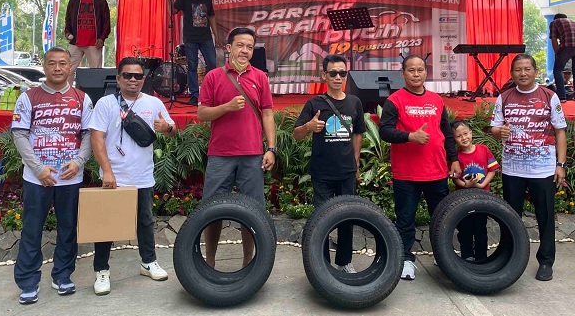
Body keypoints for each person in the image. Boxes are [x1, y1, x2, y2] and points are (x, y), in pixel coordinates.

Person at [11, 47, 93, 305]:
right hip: (37, 178)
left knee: (68, 229)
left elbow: (89, 135)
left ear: (71, 67)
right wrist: (38, 168)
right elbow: (20, 134)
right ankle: (27, 281)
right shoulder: (28, 97)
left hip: (70, 177)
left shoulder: (82, 99)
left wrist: (79, 162)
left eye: (62, 64)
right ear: (44, 67)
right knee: (32, 230)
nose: (57, 68)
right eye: (52, 64)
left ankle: (63, 276)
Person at [88, 57, 177, 295]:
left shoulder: (154, 102)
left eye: (138, 76)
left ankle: (148, 262)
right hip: (113, 177)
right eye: (127, 75)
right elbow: (96, 138)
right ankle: (101, 271)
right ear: (118, 79)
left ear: (144, 79)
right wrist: (107, 171)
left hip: (142, 176)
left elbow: (172, 130)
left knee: (145, 222)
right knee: (106, 226)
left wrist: (166, 128)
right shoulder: (106, 104)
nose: (133, 80)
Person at [197, 27, 276, 268]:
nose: (245, 51)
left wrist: (271, 148)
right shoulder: (213, 77)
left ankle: (248, 264)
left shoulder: (260, 77)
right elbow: (202, 113)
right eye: (240, 45)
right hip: (220, 155)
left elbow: (268, 114)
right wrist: (226, 107)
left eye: (250, 47)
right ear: (228, 48)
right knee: (213, 211)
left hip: (252, 155)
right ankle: (208, 263)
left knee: (251, 213)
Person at [379, 54, 461, 281]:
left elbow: (446, 132)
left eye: (420, 70)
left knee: (441, 217)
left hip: (436, 171)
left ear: (426, 72)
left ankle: (442, 256)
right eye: (411, 70)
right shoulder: (395, 100)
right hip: (407, 173)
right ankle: (405, 259)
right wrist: (410, 136)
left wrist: (453, 159)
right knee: (405, 219)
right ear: (403, 73)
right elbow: (384, 131)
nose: (416, 74)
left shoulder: (436, 100)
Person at [490, 54, 566, 282]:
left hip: (542, 170)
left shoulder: (549, 96)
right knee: (510, 217)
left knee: (545, 217)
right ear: (512, 73)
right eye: (518, 70)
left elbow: (560, 131)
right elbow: (494, 128)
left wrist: (560, 164)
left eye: (527, 69)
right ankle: (508, 257)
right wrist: (499, 132)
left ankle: (545, 261)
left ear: (535, 71)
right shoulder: (504, 97)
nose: (523, 74)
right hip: (513, 169)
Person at [293, 54, 365, 273]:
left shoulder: (354, 102)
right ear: (324, 75)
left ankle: (344, 262)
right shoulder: (314, 103)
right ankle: (321, 263)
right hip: (322, 172)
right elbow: (296, 134)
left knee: (347, 218)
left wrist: (356, 163)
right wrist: (309, 127)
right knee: (321, 219)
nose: (337, 77)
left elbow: (358, 134)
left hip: (346, 172)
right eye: (333, 73)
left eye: (342, 73)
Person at [451, 120, 499, 261]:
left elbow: (492, 170)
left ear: (471, 133)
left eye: (465, 134)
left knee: (480, 229)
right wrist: (465, 185)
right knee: (465, 228)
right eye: (459, 136)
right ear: (454, 139)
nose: (463, 138)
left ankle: (481, 257)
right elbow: (454, 177)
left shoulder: (483, 149)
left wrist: (482, 184)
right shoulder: (456, 157)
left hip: (482, 198)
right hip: (463, 199)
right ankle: (467, 255)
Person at [174, 0, 221, 105]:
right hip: (190, 38)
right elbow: (173, 10)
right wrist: (169, 0)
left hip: (206, 37)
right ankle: (194, 95)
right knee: (192, 66)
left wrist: (216, 36)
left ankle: (211, 93)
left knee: (212, 63)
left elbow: (211, 16)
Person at [64, 0, 111, 84]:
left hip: (94, 42)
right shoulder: (74, 0)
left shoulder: (100, 0)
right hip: (75, 41)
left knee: (95, 72)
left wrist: (102, 38)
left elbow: (106, 21)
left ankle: (94, 97)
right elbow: (68, 18)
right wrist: (67, 32)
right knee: (67, 69)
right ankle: (66, 94)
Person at [549, 13, 575, 101]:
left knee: (557, 70)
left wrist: (557, 54)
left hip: (568, 44)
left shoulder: (554, 22)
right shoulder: (574, 22)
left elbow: (554, 39)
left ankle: (562, 96)